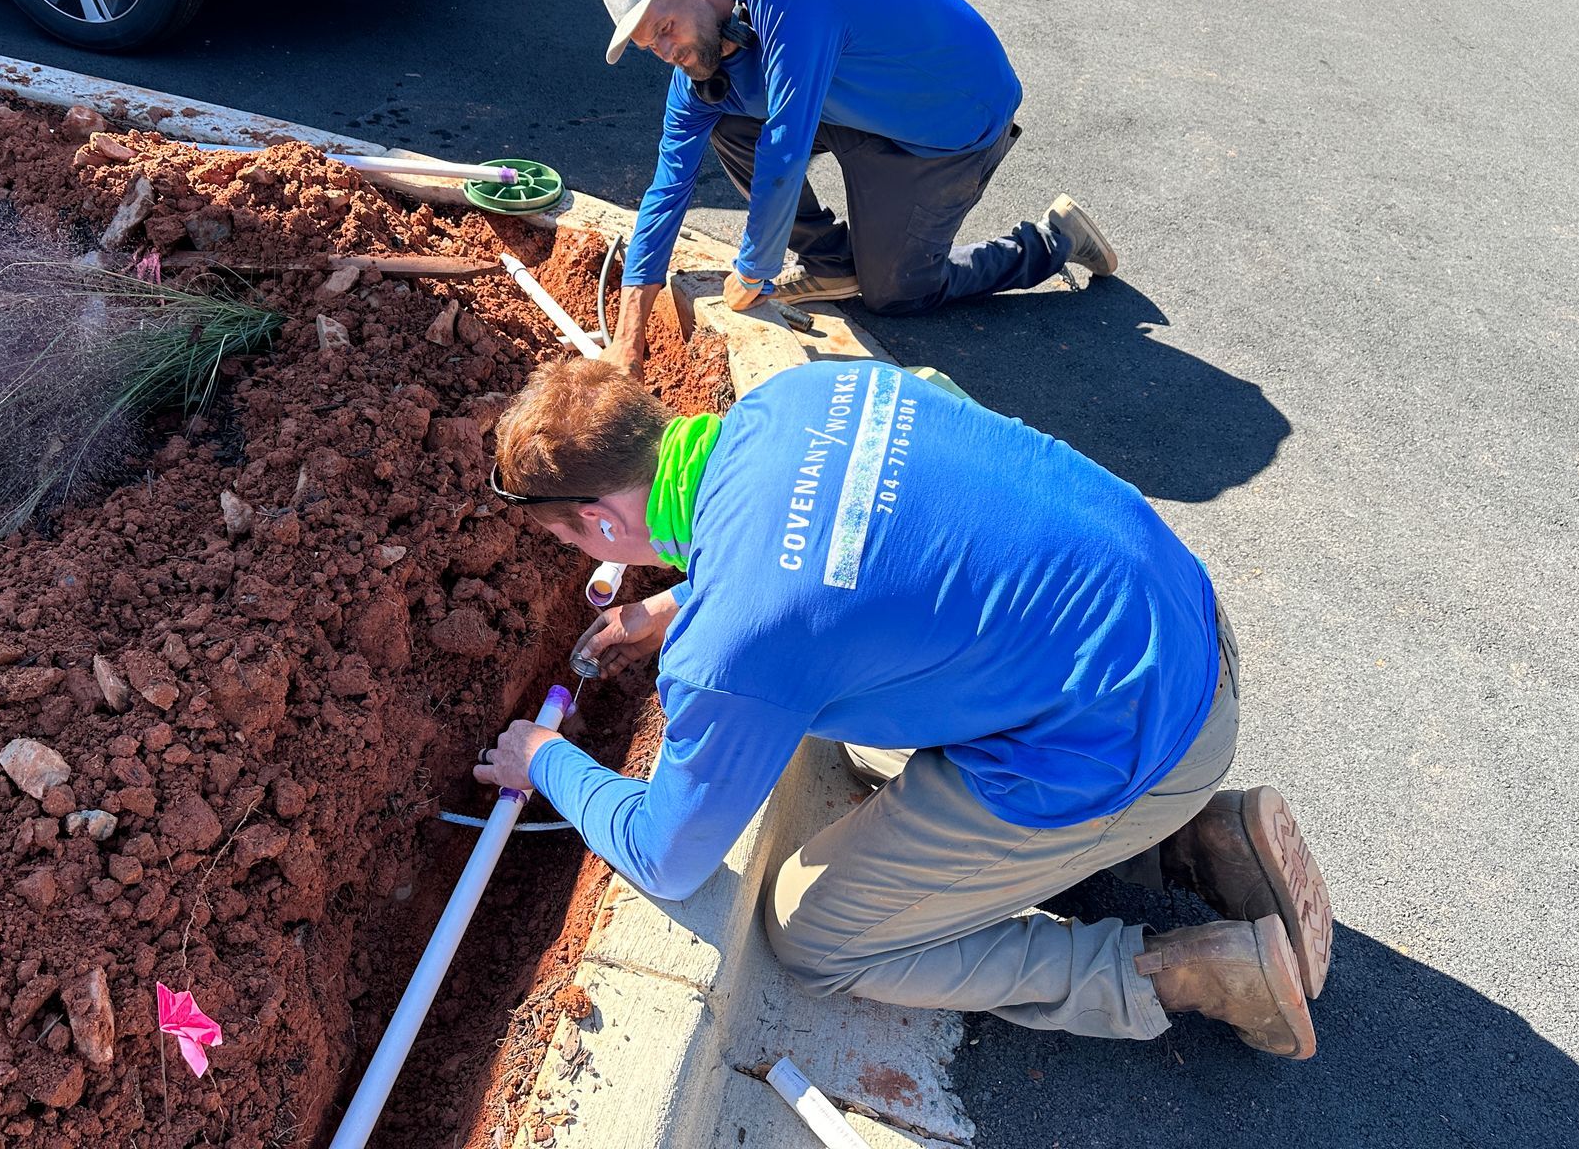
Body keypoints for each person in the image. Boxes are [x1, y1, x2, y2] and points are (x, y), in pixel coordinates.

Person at [477, 357, 1335, 1057]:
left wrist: (544, 759)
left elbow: (668, 857)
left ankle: (1172, 970)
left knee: (812, 936)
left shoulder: (729, 650)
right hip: (1182, 623)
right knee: (868, 746)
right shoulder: (800, 393)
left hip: (1142, 741)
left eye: (570, 537)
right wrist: (676, 604)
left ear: (596, 517)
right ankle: (1195, 842)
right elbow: (844, 534)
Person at [595, 0, 1119, 374]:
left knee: (896, 293)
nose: (669, 53)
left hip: (947, 119)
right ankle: (831, 260)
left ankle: (1056, 239)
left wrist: (755, 268)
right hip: (853, 111)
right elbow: (667, 189)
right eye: (651, 47)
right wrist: (628, 334)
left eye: (665, 28)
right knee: (727, 123)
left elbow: (786, 144)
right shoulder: (699, 69)